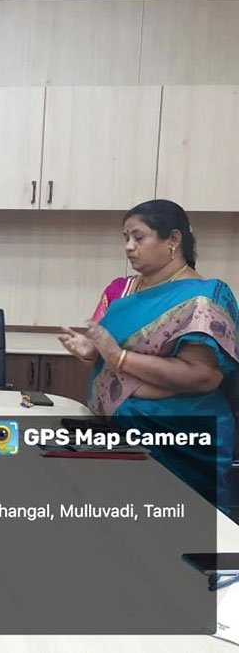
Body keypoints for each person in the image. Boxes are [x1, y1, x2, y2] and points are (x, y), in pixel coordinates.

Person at [58, 199, 238, 509]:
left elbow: (203, 376)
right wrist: (92, 351)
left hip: (177, 438)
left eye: (138, 237)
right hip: (118, 434)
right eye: (126, 238)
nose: (129, 247)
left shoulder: (202, 297)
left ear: (173, 239)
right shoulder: (124, 291)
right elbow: (111, 355)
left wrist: (118, 357)